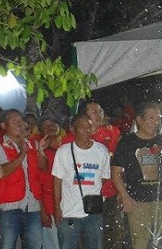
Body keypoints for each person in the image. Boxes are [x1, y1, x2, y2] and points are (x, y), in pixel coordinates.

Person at [111, 101, 162, 249]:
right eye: (151, 118)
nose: (155, 122)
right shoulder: (127, 142)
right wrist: (125, 197)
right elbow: (115, 173)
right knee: (139, 243)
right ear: (139, 120)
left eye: (158, 118)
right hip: (137, 202)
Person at [52, 114, 111, 249]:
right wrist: (57, 208)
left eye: (89, 126)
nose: (86, 130)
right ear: (73, 129)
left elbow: (104, 177)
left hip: (93, 212)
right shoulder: (63, 152)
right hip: (69, 212)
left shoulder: (101, 150)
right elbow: (57, 181)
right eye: (82, 126)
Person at [0, 109, 45, 249]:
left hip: (32, 205)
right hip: (10, 206)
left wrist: (40, 152)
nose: (19, 123)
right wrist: (22, 153)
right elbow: (3, 172)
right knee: (6, 246)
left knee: (35, 245)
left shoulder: (32, 143)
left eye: (21, 120)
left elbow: (44, 167)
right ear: (4, 125)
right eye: (14, 121)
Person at [84, 101, 123, 249]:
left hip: (110, 190)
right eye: (94, 112)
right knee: (91, 232)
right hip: (89, 192)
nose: (98, 115)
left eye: (100, 111)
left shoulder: (112, 131)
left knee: (113, 231)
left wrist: (121, 190)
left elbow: (118, 162)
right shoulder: (79, 135)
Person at [36, 114, 65, 249]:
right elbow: (37, 185)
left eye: (53, 123)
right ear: (41, 132)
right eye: (46, 126)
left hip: (69, 206)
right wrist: (43, 212)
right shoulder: (41, 153)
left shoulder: (68, 147)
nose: (51, 127)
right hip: (50, 207)